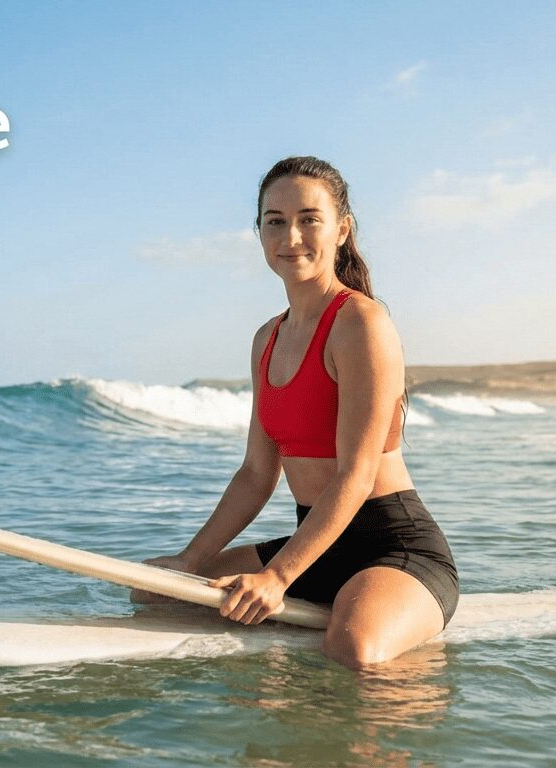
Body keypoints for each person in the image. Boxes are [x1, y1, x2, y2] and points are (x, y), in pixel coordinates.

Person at [135, 156, 459, 669]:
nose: (292, 236)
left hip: (395, 550)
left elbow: (356, 474)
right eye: (275, 221)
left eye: (309, 219)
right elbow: (255, 474)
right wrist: (188, 560)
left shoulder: (361, 325)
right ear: (260, 233)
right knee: (159, 596)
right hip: (317, 544)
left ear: (342, 230)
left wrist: (278, 577)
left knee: (352, 649)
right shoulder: (267, 338)